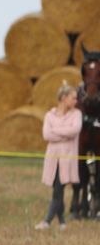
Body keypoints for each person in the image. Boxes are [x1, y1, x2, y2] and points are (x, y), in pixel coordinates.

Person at [36, 84, 82, 230]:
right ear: (64, 98)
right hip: (53, 159)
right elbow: (46, 135)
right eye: (73, 98)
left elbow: (74, 131)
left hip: (67, 159)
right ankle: (62, 222)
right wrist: (64, 132)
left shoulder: (77, 114)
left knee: (58, 189)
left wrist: (55, 131)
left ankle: (46, 222)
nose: (76, 101)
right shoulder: (49, 115)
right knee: (57, 189)